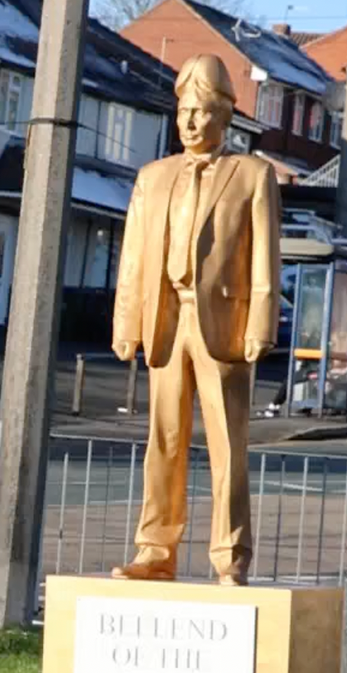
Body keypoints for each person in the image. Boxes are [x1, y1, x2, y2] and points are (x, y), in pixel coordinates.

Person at [110, 54, 282, 584]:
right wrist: (126, 322)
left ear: (224, 116)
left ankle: (230, 558)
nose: (188, 122)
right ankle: (154, 551)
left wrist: (261, 323)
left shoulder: (252, 175)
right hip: (166, 319)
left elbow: (264, 256)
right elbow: (134, 255)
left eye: (201, 112)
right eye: (183, 110)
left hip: (222, 324)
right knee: (162, 439)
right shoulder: (153, 177)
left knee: (227, 444)